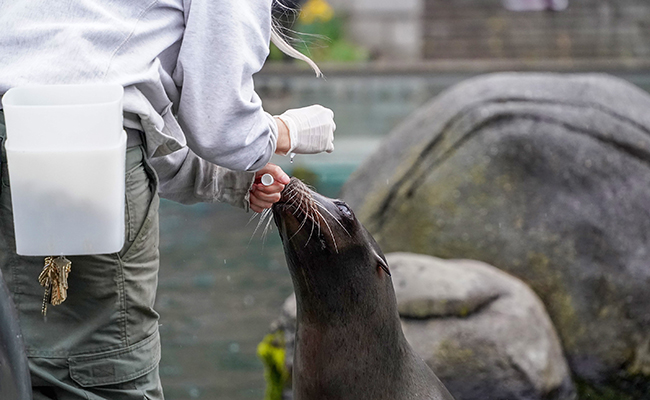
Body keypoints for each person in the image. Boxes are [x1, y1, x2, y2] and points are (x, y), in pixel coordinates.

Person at [0, 0, 335, 399]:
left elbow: (121, 94)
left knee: (22, 361)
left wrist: (226, 181)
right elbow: (221, 127)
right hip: (73, 161)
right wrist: (287, 131)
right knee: (104, 372)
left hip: (33, 132)